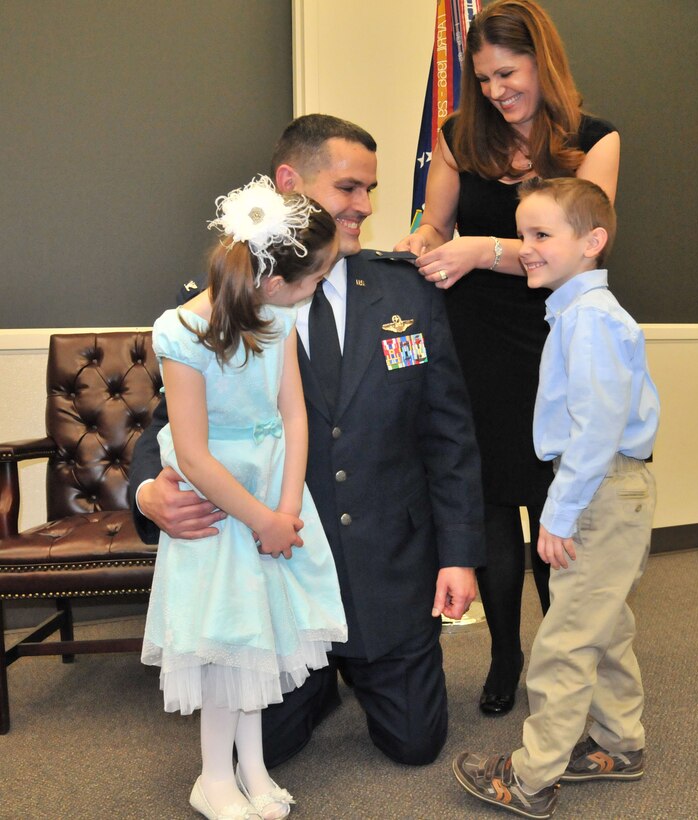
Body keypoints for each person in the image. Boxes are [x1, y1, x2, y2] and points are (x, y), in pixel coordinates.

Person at [130, 114, 486, 770]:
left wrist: (459, 557)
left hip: (390, 574)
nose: (366, 206)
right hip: (278, 579)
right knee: (257, 752)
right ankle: (315, 684)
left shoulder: (407, 290)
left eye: (372, 189)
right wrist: (149, 493)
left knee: (415, 746)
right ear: (290, 182)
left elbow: (450, 434)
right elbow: (169, 425)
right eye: (349, 187)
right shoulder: (232, 299)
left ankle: (363, 674)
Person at [395, 0, 620, 716]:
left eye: (508, 73)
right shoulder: (461, 134)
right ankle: (504, 654)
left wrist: (485, 250)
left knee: (561, 501)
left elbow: (580, 246)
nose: (494, 91)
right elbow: (434, 224)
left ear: (542, 62)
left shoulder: (596, 139)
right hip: (478, 341)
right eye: (483, 77)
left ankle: (563, 653)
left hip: (558, 338)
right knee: (490, 501)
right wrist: (422, 243)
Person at [141, 177, 348, 820]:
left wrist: (286, 510)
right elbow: (195, 454)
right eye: (315, 277)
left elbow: (294, 414)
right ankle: (214, 778)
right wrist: (259, 518)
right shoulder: (183, 333)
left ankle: (253, 769)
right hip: (219, 505)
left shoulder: (279, 316)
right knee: (228, 641)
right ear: (272, 279)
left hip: (271, 498)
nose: (317, 288)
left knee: (262, 640)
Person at [453, 177, 659, 819]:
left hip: (598, 488)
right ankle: (619, 744)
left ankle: (531, 777)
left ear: (592, 242)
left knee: (565, 639)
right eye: (524, 233)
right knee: (603, 623)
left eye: (542, 235)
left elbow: (596, 429)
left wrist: (559, 513)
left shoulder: (589, 322)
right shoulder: (575, 313)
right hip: (608, 485)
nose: (527, 248)